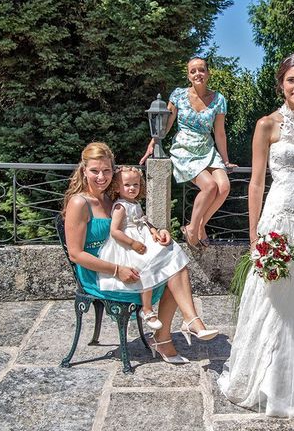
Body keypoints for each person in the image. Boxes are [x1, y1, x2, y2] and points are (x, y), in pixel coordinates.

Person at [218, 53, 294, 417]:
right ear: (281, 84)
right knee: (275, 301)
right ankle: (271, 382)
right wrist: (255, 234)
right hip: (279, 222)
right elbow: (256, 183)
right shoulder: (267, 125)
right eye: (291, 80)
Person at [64, 142, 218, 365]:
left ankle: (184, 323)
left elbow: (135, 226)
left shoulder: (112, 198)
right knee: (172, 271)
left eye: (107, 170)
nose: (101, 176)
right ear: (83, 170)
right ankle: (171, 334)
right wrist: (118, 270)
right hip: (99, 272)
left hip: (125, 258)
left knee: (171, 255)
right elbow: (76, 255)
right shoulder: (79, 203)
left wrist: (158, 232)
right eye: (94, 171)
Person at [140, 56, 237, 247]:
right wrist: (154, 142)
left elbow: (219, 133)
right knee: (210, 186)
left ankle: (198, 225)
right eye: (193, 71)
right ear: (188, 75)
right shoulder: (178, 95)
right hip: (184, 149)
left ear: (208, 73)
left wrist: (225, 161)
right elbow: (165, 123)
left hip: (207, 148)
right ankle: (193, 228)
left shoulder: (219, 99)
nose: (197, 74)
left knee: (224, 187)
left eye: (201, 70)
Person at [97, 166, 190, 331]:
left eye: (136, 184)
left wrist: (154, 230)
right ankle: (147, 309)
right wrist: (132, 243)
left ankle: (186, 313)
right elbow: (115, 231)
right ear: (117, 187)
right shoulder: (120, 207)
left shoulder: (135, 203)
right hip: (127, 244)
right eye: (127, 185)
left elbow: (143, 221)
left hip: (141, 237)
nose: (132, 188)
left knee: (168, 251)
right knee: (144, 265)